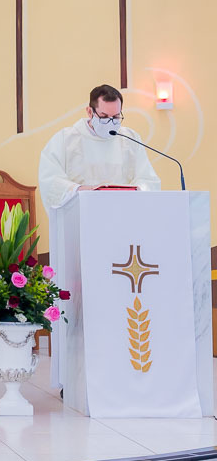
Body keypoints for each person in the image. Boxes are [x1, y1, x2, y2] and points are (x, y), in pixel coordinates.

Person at [38, 83, 161, 390]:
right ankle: (75, 379)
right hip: (79, 234)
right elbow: (51, 182)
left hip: (122, 237)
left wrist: (131, 193)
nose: (112, 124)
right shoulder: (66, 140)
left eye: (117, 117)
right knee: (81, 307)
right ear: (89, 111)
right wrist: (84, 192)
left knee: (119, 306)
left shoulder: (130, 139)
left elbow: (148, 180)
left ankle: (121, 375)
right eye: (105, 117)